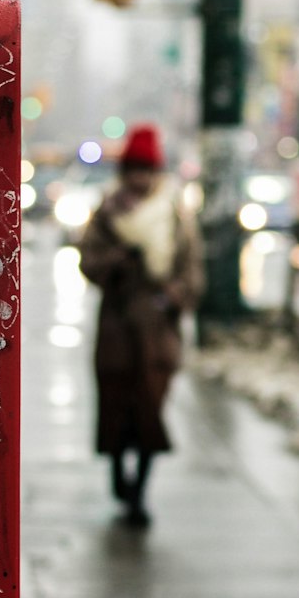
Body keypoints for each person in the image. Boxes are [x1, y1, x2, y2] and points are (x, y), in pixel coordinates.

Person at [78, 123, 204, 527]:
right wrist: (116, 260)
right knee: (116, 404)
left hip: (158, 330)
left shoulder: (174, 212)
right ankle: (118, 475)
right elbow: (89, 261)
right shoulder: (108, 211)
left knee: (151, 408)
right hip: (117, 326)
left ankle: (139, 492)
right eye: (134, 169)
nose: (140, 178)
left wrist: (174, 295)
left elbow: (192, 270)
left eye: (146, 170)